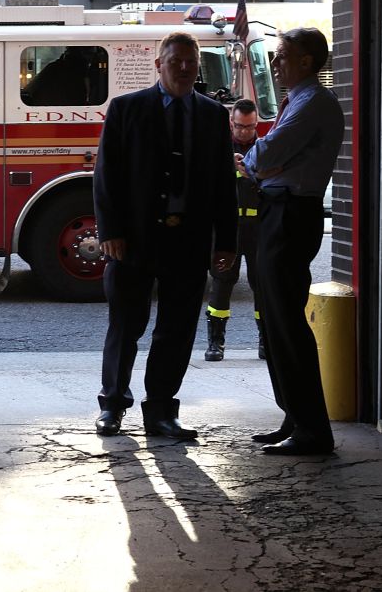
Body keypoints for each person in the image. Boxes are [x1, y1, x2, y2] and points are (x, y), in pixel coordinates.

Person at [93, 31, 237, 440]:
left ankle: (160, 411)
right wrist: (111, 232)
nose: (186, 69)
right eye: (176, 62)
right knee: (126, 325)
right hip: (134, 240)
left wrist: (225, 242)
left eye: (192, 62)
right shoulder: (126, 109)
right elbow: (107, 177)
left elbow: (224, 184)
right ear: (159, 66)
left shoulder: (212, 115)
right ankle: (112, 406)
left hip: (188, 242)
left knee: (176, 330)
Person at [239, 27, 343, 456]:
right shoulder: (297, 101)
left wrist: (259, 162)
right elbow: (266, 162)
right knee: (273, 321)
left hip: (291, 215)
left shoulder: (314, 103)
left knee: (286, 324)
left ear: (306, 61)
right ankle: (294, 416)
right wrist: (264, 166)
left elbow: (262, 157)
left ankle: (313, 430)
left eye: (283, 56)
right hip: (277, 210)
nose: (276, 63)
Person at [202, 99, 264, 361]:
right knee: (222, 281)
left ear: (256, 124)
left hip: (259, 227)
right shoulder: (218, 150)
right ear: (232, 123)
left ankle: (266, 339)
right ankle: (216, 342)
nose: (244, 132)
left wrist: (254, 174)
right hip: (228, 226)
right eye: (239, 126)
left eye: (249, 127)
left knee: (262, 284)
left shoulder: (265, 148)